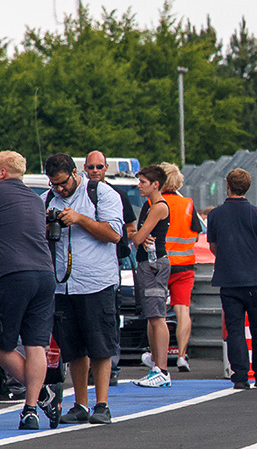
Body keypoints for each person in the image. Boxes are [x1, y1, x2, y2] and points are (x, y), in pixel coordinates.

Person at [45, 153, 123, 425]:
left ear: (75, 173)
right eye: (54, 184)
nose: (60, 189)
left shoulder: (101, 194)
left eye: (63, 183)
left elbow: (114, 234)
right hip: (62, 286)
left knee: (100, 345)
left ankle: (102, 404)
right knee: (73, 348)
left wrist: (79, 219)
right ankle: (80, 404)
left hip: (96, 282)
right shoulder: (47, 199)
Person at [0, 151, 59, 430]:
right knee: (35, 344)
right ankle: (30, 409)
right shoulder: (36, 200)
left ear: (2, 172)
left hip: (13, 275)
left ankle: (41, 393)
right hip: (45, 274)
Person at [206, 168, 257, 390]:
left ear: (228, 186)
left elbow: (213, 246)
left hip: (228, 280)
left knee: (235, 330)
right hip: (254, 280)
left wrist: (228, 259)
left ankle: (240, 376)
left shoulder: (215, 215)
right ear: (248, 188)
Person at [144, 162, 203, 373]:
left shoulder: (155, 203)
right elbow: (196, 231)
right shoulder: (188, 203)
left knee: (155, 313)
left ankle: (154, 356)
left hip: (159, 264)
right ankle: (181, 356)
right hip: (185, 265)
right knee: (182, 310)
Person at [86, 150, 135, 386]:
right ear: (85, 169)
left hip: (111, 262)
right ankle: (86, 365)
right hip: (83, 266)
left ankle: (111, 366)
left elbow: (130, 227)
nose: (95, 171)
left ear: (106, 169)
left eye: (99, 167)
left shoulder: (119, 195)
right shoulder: (79, 196)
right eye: (91, 167)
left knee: (110, 315)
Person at [130, 165, 172, 388]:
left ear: (156, 184)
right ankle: (156, 363)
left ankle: (162, 370)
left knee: (157, 316)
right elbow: (135, 234)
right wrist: (136, 235)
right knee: (151, 315)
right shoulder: (148, 206)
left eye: (143, 182)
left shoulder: (158, 207)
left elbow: (137, 238)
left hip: (155, 265)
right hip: (147, 264)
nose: (139, 186)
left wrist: (137, 235)